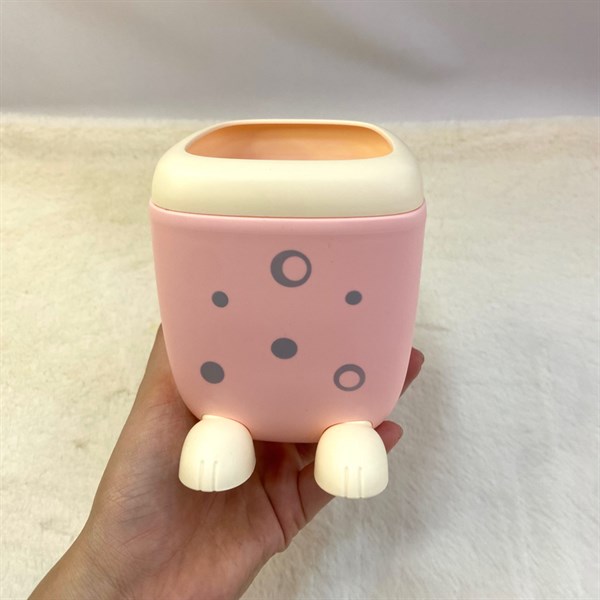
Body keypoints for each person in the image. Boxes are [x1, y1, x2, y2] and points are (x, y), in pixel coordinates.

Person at [30, 325, 424, 600]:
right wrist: (110, 579)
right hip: (226, 405)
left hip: (347, 395)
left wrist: (113, 581)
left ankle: (346, 426)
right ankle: (230, 429)